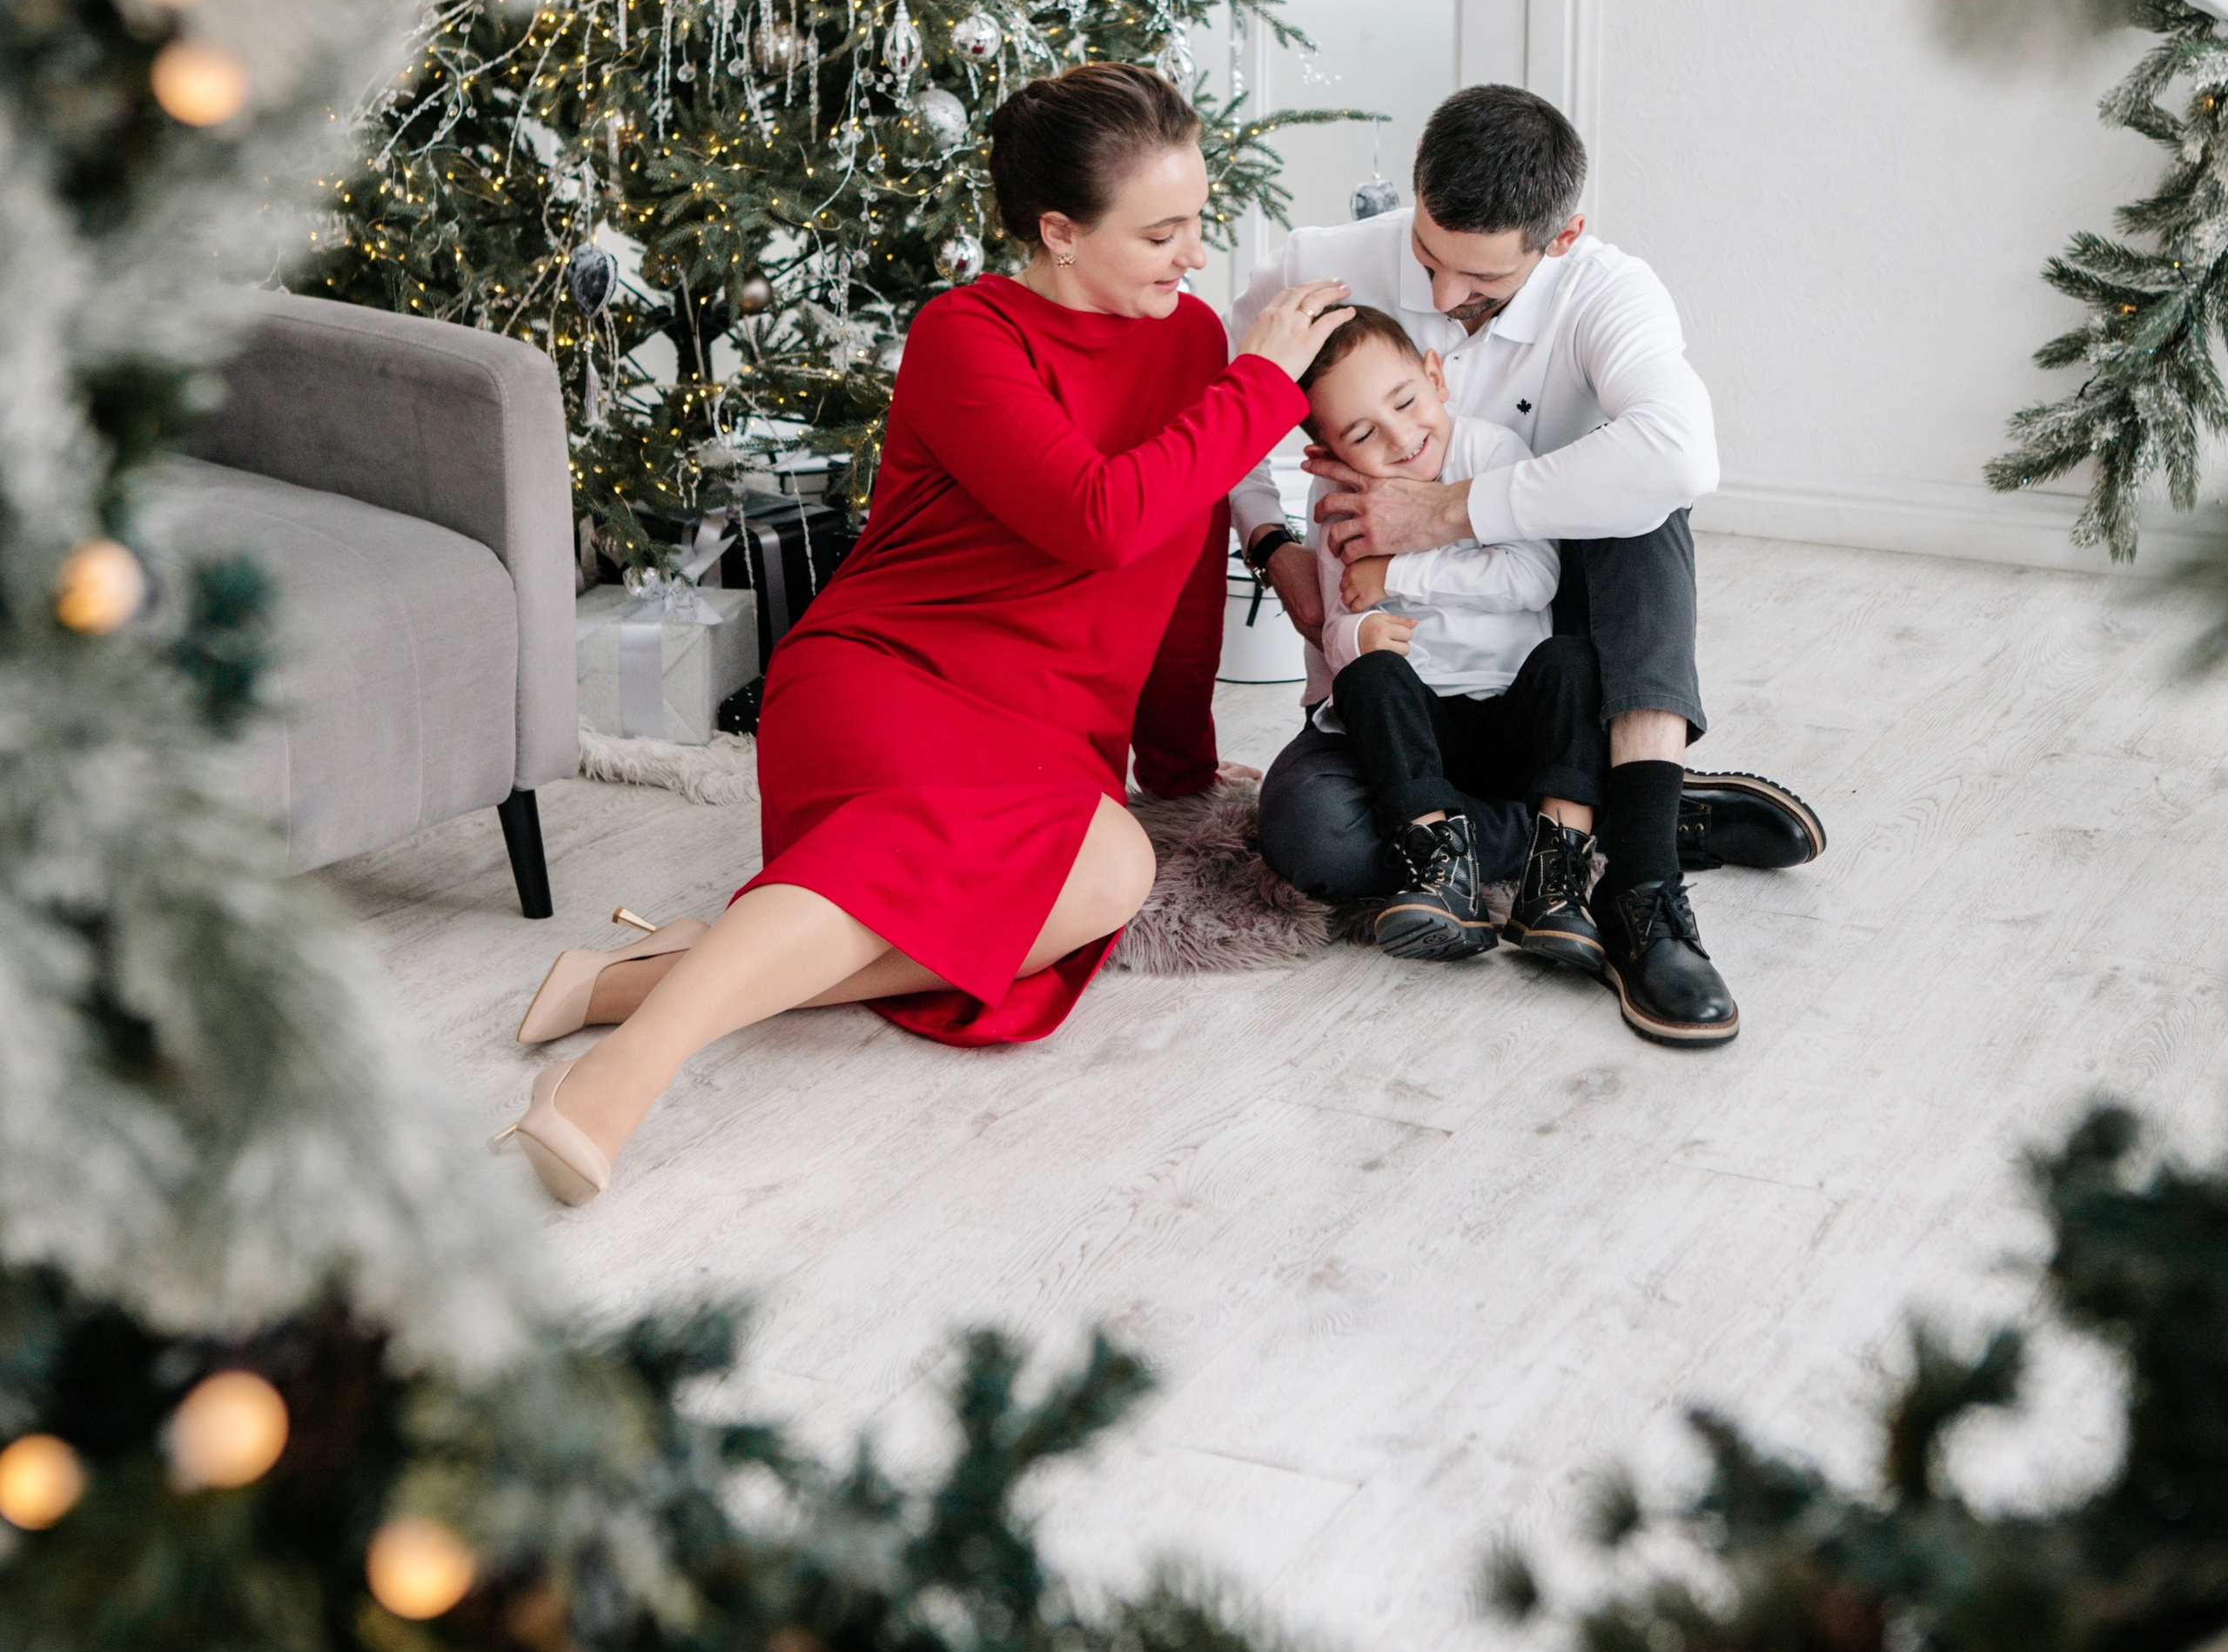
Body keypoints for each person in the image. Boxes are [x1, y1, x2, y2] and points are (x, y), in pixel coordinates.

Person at [494, 63, 1351, 1206]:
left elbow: (1179, 564)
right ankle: (614, 1078)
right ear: (1058, 231)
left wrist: (1182, 767)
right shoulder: (967, 335)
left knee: (1116, 869)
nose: (1193, 254)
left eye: (1197, 222)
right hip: (890, 674)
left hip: (1044, 727)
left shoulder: (1195, 344)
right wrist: (1262, 387)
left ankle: (639, 979)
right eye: (1161, 232)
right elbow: (1101, 519)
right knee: (910, 853)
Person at [1233, 84, 1825, 1051]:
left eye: (1476, 281)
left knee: (1645, 506)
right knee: (1312, 837)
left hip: (1533, 671)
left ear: (1561, 238)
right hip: (1397, 691)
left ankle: (1640, 888)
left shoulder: (1606, 290)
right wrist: (1273, 546)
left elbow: (1683, 455)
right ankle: (1632, 807)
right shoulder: (1320, 268)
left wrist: (1447, 513)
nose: (1435, 299)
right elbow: (1219, 412)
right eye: (1424, 257)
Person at [1299, 307, 1615, 980]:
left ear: (1436, 377)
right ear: (1328, 452)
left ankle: (1553, 881)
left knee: (1571, 662)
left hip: (1510, 716)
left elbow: (1533, 577)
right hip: (1420, 735)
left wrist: (1398, 571)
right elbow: (1334, 623)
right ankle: (1444, 867)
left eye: (1407, 401)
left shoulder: (1492, 453)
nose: (1401, 437)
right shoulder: (1335, 499)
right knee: (1365, 674)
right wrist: (1359, 633)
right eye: (1361, 433)